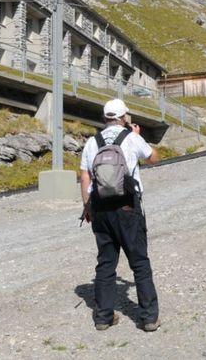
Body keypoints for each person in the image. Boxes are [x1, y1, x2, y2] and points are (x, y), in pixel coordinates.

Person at [80, 98, 161, 332]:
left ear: (105, 118)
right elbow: (153, 158)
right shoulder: (131, 138)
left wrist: (87, 207)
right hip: (127, 206)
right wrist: (136, 134)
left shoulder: (92, 142)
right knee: (139, 262)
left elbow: (85, 176)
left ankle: (103, 317)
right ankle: (148, 318)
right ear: (124, 117)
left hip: (100, 208)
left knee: (106, 263)